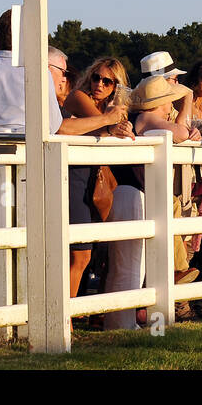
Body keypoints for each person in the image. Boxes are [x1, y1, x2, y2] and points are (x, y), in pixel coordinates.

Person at [103, 76, 200, 330]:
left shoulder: (140, 119)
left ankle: (120, 322)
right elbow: (180, 132)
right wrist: (188, 115)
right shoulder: (146, 118)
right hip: (131, 193)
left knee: (128, 265)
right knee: (131, 266)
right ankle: (122, 325)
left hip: (127, 192)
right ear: (163, 102)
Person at [62, 56, 133, 298]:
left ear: (116, 87)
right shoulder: (78, 97)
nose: (99, 85)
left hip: (94, 182)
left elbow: (115, 125)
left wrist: (122, 124)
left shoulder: (112, 110)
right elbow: (104, 126)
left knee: (91, 254)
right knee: (80, 254)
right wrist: (117, 123)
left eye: (107, 82)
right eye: (96, 77)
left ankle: (79, 310)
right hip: (73, 178)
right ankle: (66, 317)